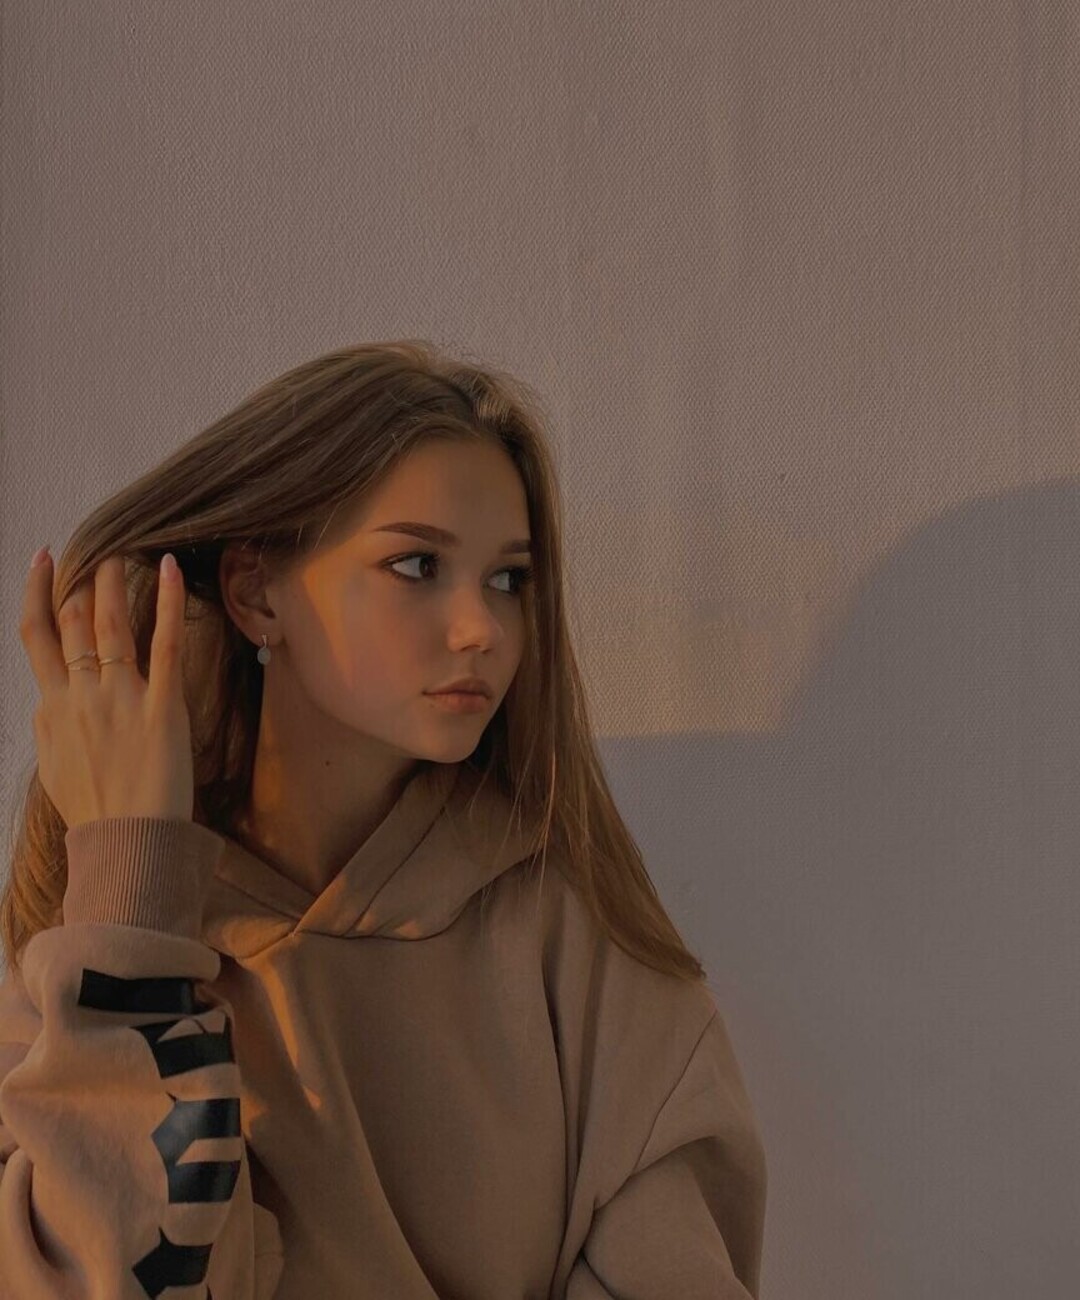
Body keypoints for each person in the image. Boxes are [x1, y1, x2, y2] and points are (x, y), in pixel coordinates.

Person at [0, 340, 767, 1298]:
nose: (482, 628)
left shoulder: (577, 939)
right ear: (254, 592)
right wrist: (129, 888)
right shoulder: (82, 945)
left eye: (508, 579)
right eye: (417, 564)